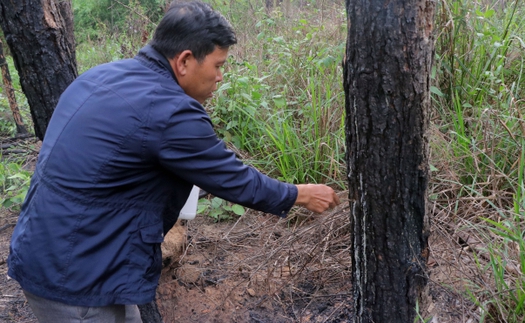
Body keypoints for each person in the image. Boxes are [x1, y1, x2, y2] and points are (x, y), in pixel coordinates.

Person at [7, 1, 340, 322]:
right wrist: (299, 194)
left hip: (55, 251)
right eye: (218, 65)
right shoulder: (169, 110)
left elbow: (122, 168)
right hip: (76, 277)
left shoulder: (101, 77)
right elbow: (232, 178)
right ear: (184, 61)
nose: (220, 77)